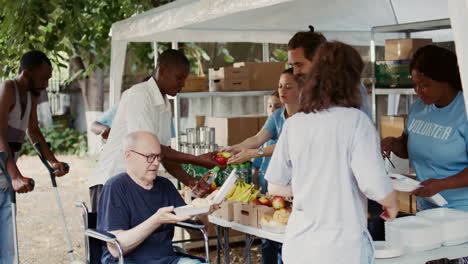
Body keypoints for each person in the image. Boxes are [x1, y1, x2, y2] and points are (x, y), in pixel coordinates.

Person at [265, 41, 398, 264]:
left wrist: (310, 186)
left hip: (299, 245)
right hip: (341, 247)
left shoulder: (294, 123)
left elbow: (275, 185)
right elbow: (374, 184)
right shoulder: (356, 122)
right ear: (352, 80)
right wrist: (391, 202)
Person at [89, 49, 219, 213]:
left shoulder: (164, 104)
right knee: (115, 237)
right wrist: (198, 160)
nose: (182, 84)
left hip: (136, 183)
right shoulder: (140, 95)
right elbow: (150, 149)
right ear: (162, 70)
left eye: (184, 79)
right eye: (179, 78)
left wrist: (191, 181)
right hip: (111, 182)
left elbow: (163, 153)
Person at [98, 131, 214, 264]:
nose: (155, 163)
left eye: (158, 156)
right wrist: (156, 220)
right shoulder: (115, 187)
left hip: (168, 260)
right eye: (149, 156)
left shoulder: (165, 185)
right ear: (128, 155)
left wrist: (202, 211)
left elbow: (196, 233)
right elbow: (115, 249)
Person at [0, 50, 69, 262]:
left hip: (4, 176)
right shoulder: (8, 89)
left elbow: (33, 131)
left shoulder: (31, 95)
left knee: (7, 244)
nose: (47, 84)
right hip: (5, 171)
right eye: (44, 78)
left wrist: (53, 161)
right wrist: (16, 176)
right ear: (27, 73)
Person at [382, 45, 467, 211]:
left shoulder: (464, 111)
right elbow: (407, 147)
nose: (418, 91)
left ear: (445, 80)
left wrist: (443, 184)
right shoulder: (418, 108)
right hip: (428, 207)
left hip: (462, 211)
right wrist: (393, 144)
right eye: (415, 85)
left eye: (425, 85)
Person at [288, 26, 372, 118]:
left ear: (319, 61)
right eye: (292, 66)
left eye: (299, 65)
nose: (295, 72)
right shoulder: (305, 91)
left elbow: (364, 124)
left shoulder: (350, 88)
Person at [251, 91, 283, 191]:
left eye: (277, 106)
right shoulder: (264, 135)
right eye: (269, 106)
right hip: (263, 186)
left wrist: (251, 153)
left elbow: (280, 148)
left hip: (280, 187)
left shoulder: (286, 132)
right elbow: (256, 166)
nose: (272, 110)